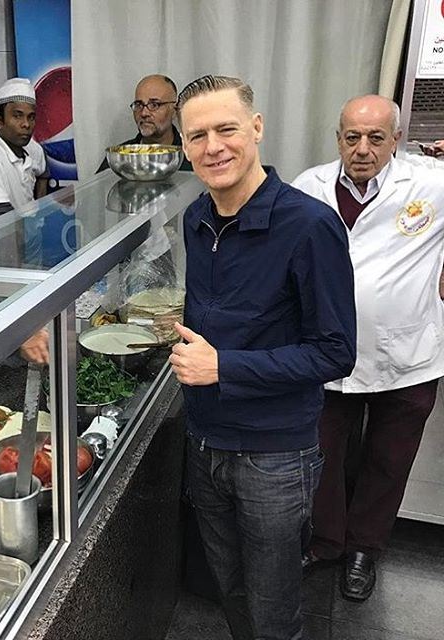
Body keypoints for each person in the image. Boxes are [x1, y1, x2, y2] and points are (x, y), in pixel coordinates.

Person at [169, 75, 356, 640]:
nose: (213, 147)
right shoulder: (196, 218)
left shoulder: (310, 225)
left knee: (275, 609)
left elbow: (336, 353)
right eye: (197, 136)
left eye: (226, 129)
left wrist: (223, 366)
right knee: (230, 590)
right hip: (206, 442)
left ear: (256, 128)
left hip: (274, 455)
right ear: (183, 146)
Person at [292, 94, 444, 602]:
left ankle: (364, 549)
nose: (362, 148)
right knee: (321, 454)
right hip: (327, 354)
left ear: (395, 140)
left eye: (376, 137)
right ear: (338, 138)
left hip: (408, 356)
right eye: (352, 137)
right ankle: (326, 541)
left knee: (388, 459)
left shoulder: (430, 182)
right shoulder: (308, 186)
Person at [0, 77, 48, 220]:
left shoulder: (32, 147)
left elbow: (44, 173)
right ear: (0, 121)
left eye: (31, 117)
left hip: (32, 235)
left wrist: (38, 211)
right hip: (3, 238)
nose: (26, 124)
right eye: (18, 116)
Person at [97, 74, 193, 172]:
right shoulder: (120, 159)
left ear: (174, 110)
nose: (144, 113)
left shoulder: (194, 155)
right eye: (139, 105)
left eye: (154, 105)